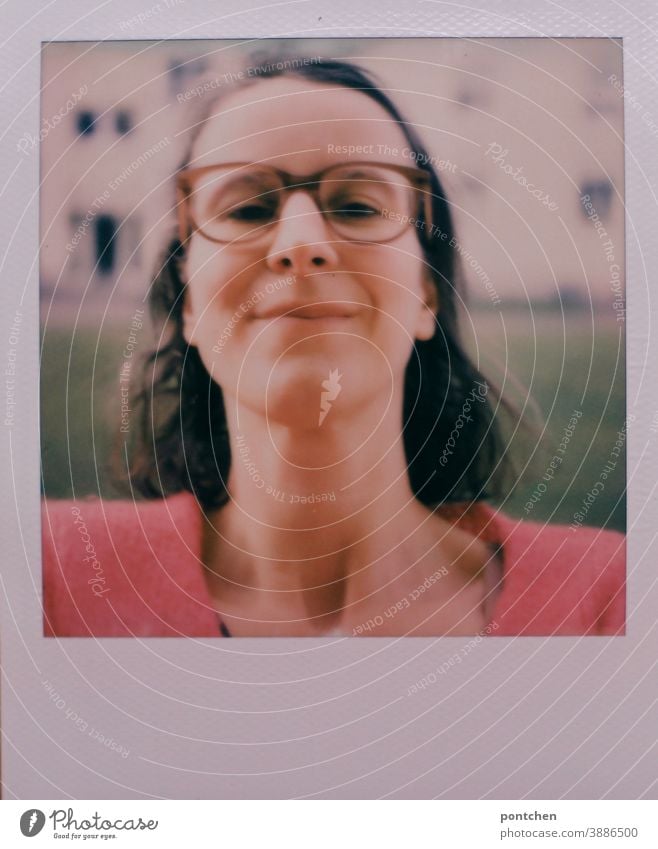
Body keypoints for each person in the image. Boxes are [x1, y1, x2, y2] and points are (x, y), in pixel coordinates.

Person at [42, 56, 624, 638]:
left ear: (427, 292)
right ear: (188, 302)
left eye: (356, 206)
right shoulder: (47, 578)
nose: (302, 244)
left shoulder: (612, 599)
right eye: (247, 208)